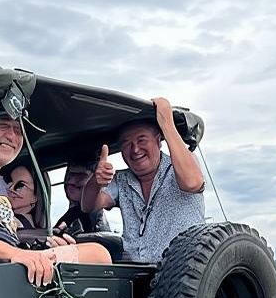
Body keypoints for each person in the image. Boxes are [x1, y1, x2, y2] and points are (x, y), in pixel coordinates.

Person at [0, 98, 110, 286]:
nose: (12, 136)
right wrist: (16, 253)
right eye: (3, 126)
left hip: (7, 272)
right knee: (99, 254)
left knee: (99, 254)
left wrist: (45, 251)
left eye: (18, 130)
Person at [82, 97, 205, 262]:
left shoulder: (182, 166)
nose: (135, 149)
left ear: (158, 141)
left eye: (142, 140)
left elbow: (192, 183)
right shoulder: (121, 179)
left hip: (184, 273)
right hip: (137, 276)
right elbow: (88, 205)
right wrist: (95, 183)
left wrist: (167, 123)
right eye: (126, 144)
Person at [52, 155, 110, 235]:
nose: (72, 179)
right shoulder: (72, 213)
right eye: (70, 174)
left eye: (82, 176)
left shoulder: (92, 216)